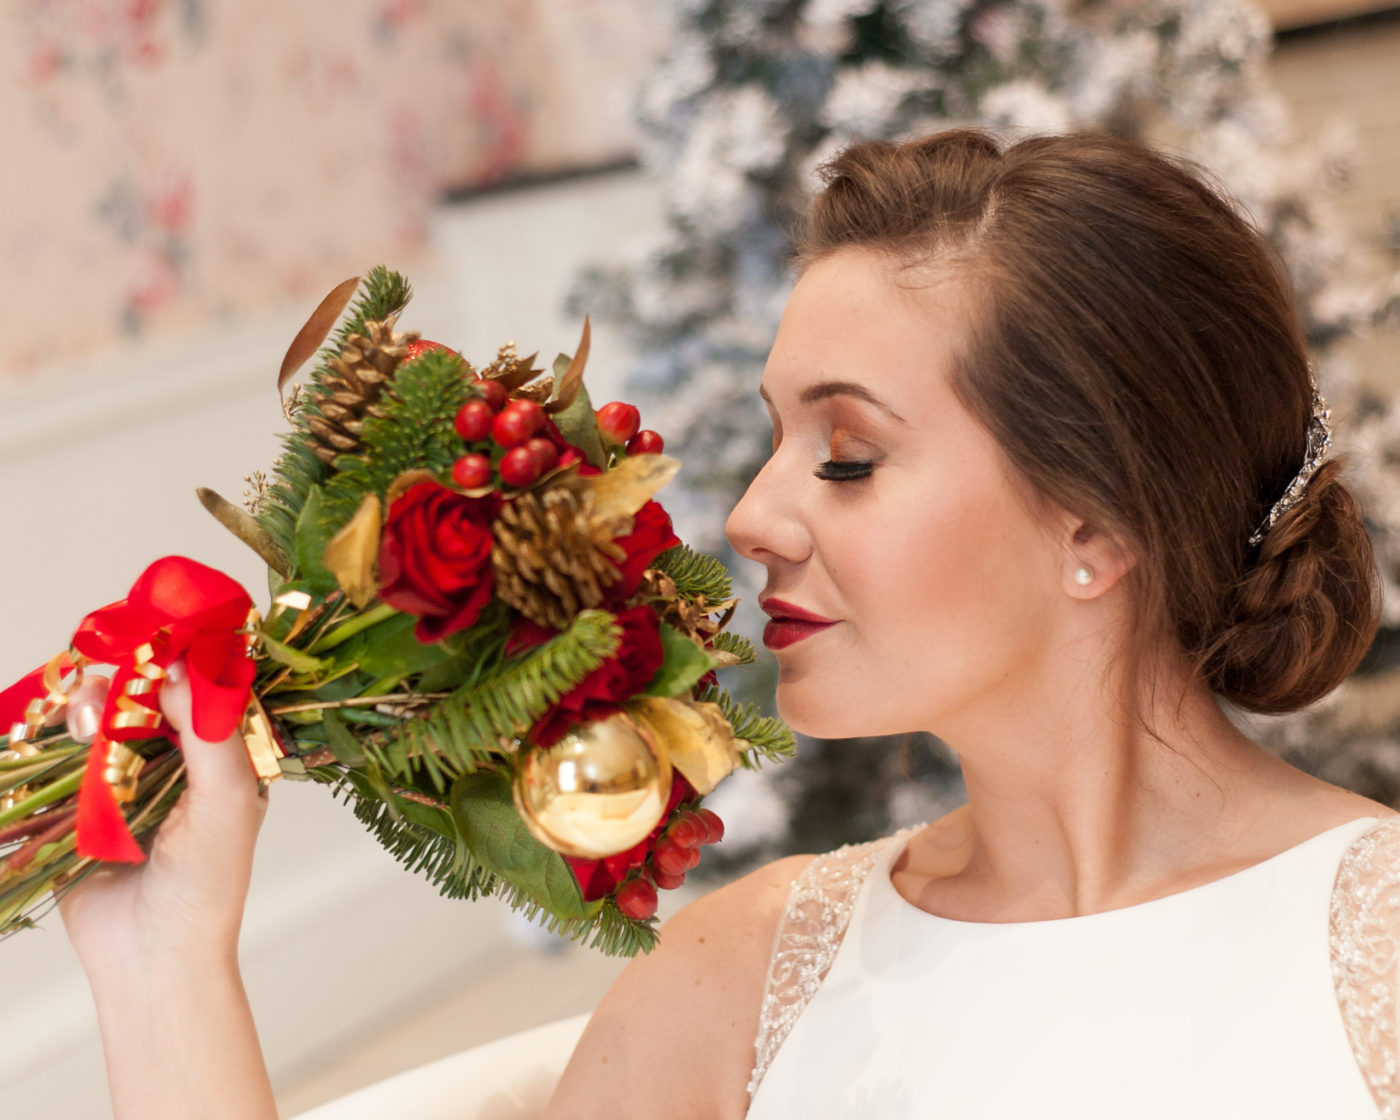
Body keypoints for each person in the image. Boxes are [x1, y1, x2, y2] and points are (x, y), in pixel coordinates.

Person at [61, 127, 1398, 1118]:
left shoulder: (1373, 945)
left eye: (850, 453)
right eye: (774, 439)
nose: (752, 513)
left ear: (1097, 526)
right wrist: (162, 964)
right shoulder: (742, 971)